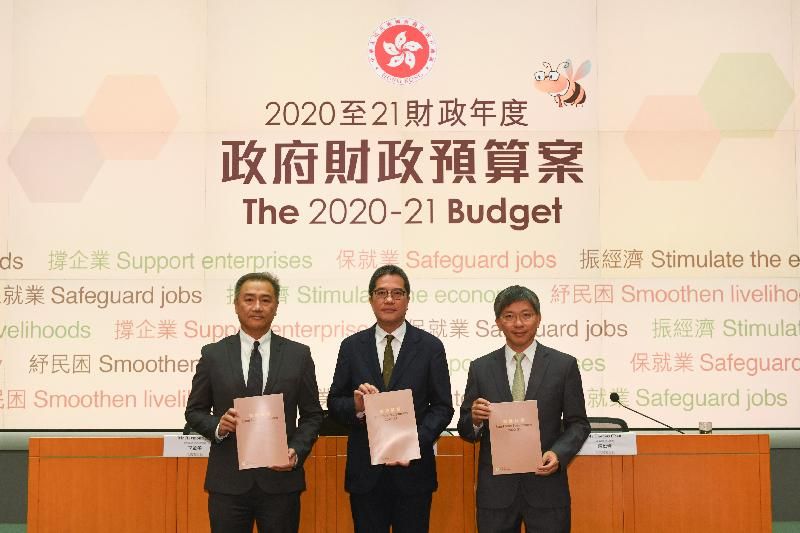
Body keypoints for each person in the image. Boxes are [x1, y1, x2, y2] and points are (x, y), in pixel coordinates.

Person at [185, 272, 323, 533]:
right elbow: (194, 411)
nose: (257, 307)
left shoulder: (299, 355)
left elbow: (313, 415)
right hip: (228, 483)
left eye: (265, 300)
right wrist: (219, 426)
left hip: (281, 482)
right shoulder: (213, 354)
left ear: (276, 306)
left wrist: (295, 452)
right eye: (249, 299)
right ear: (236, 304)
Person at [327, 264, 454, 533]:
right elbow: (335, 403)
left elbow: (442, 407)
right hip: (366, 473)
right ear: (371, 298)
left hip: (413, 472)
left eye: (397, 293)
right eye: (381, 292)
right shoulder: (351, 347)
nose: (389, 299)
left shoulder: (430, 347)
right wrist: (357, 407)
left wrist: (413, 442)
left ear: (408, 299)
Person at [457, 285, 590, 533]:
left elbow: (578, 423)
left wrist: (559, 454)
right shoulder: (481, 368)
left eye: (526, 315)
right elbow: (466, 429)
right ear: (498, 322)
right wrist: (474, 419)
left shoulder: (563, 366)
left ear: (538, 318)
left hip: (546, 488)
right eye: (509, 316)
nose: (518, 323)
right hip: (496, 492)